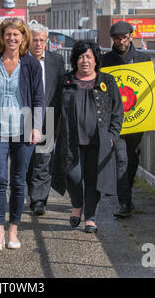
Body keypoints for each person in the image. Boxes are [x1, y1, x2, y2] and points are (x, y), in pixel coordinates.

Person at [0, 18, 45, 252]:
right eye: (8, 34)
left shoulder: (32, 64)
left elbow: (39, 98)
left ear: (24, 38)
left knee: (18, 180)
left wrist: (37, 126)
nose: (12, 39)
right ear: (2, 37)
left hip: (24, 129)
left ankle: (14, 229)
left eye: (17, 35)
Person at [51, 41, 124, 233]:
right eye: (81, 57)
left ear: (95, 60)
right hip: (71, 138)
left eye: (89, 57)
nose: (85, 61)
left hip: (98, 140)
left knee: (93, 179)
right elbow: (54, 109)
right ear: (75, 60)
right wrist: (47, 133)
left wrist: (112, 135)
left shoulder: (107, 81)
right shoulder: (65, 80)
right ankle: (77, 205)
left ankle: (90, 217)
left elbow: (118, 112)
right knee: (73, 176)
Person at [102, 20, 155, 218]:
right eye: (117, 38)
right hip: (115, 121)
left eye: (124, 37)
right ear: (113, 39)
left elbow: (149, 90)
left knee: (132, 158)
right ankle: (125, 203)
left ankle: (127, 192)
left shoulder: (143, 59)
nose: (121, 41)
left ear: (131, 36)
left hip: (137, 119)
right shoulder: (105, 61)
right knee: (121, 159)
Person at [26, 22, 66, 216]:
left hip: (48, 116)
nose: (39, 43)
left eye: (42, 40)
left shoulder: (56, 61)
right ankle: (30, 190)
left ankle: (39, 200)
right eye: (35, 40)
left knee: (43, 158)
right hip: (24, 117)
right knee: (27, 159)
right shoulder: (20, 61)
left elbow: (61, 89)